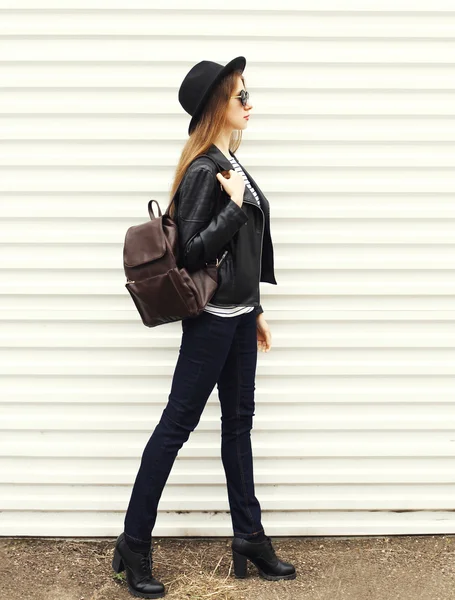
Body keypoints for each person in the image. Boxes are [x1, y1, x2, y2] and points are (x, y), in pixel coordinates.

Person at [112, 56, 296, 598]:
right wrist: (233, 208)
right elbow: (191, 252)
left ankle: (249, 538)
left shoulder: (230, 163)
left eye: (247, 93)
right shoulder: (203, 171)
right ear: (218, 105)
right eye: (241, 96)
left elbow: (241, 253)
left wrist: (255, 308)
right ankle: (133, 544)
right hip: (211, 325)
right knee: (175, 428)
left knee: (238, 427)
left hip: (239, 321)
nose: (249, 103)